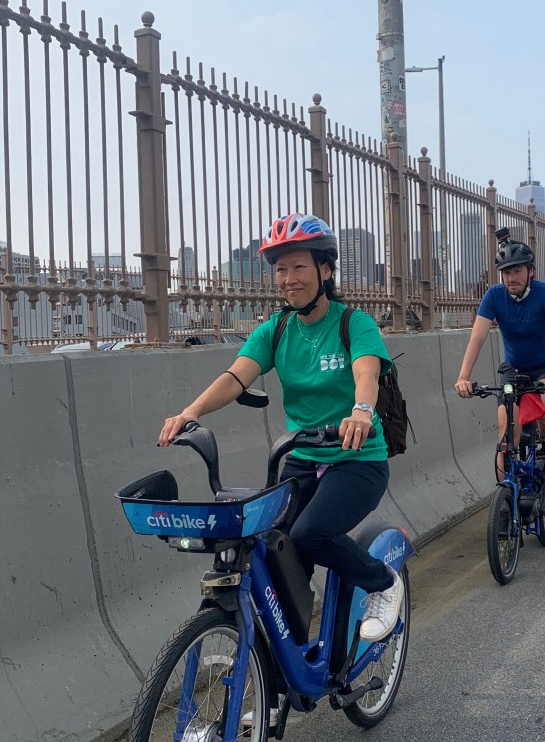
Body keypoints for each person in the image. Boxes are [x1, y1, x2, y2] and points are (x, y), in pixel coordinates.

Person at [158, 212, 404, 643]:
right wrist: (190, 412)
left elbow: (366, 372)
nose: (289, 278)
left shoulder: (353, 324)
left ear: (325, 271)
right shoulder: (277, 330)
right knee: (274, 551)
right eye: (281, 268)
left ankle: (383, 583)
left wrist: (361, 410)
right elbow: (236, 377)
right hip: (303, 459)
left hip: (357, 460)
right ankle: (283, 678)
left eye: (300, 267)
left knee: (311, 534)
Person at [455, 229, 545, 486]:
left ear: (531, 271)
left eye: (517, 271)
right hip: (514, 369)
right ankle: (506, 496)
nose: (511, 278)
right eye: (506, 272)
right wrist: (464, 377)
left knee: (543, 412)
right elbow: (477, 338)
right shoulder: (494, 296)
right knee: (506, 432)